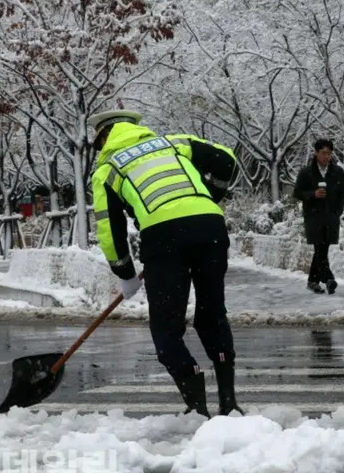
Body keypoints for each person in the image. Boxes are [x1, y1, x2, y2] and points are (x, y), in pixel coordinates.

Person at [89, 109, 241, 417]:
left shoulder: (108, 169)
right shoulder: (173, 143)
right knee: (212, 316)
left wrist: (125, 272)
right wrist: (214, 195)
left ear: (104, 138)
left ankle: (197, 406)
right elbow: (227, 159)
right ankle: (229, 404)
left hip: (163, 237)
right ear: (136, 128)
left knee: (167, 330)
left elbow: (109, 227)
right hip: (210, 226)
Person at [293, 139, 344, 295]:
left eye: (329, 153)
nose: (326, 156)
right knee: (319, 247)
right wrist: (313, 194)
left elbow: (343, 193)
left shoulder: (337, 171)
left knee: (322, 249)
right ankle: (329, 278)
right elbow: (297, 193)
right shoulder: (306, 172)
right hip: (313, 217)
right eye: (323, 153)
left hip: (331, 216)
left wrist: (338, 211)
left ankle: (313, 281)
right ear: (316, 153)